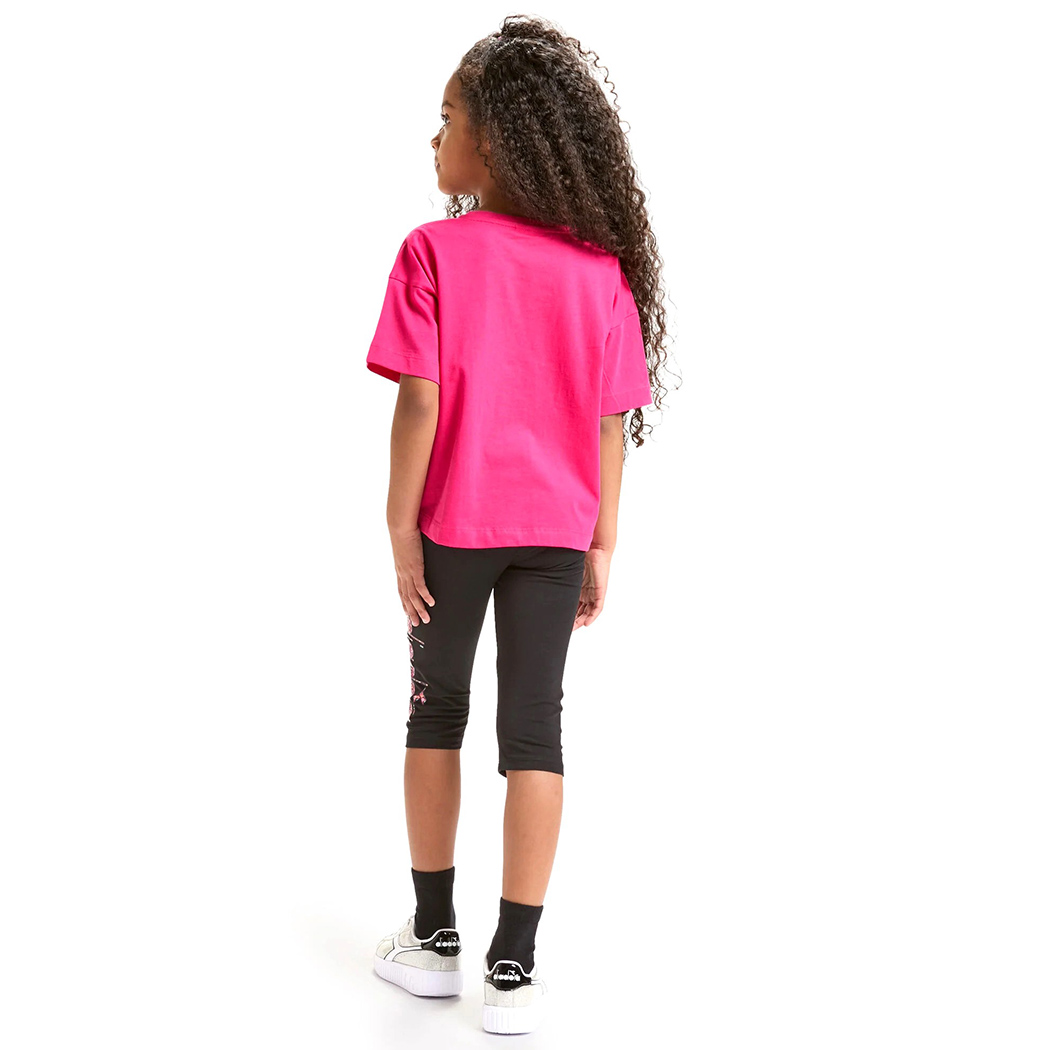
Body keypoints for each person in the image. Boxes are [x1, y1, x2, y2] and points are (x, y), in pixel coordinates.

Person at [368, 15, 673, 1035]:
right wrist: (603, 542)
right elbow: (609, 424)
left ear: (492, 142)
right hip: (554, 537)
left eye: (446, 117)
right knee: (536, 732)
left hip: (453, 529)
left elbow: (419, 400)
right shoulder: (600, 272)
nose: (434, 137)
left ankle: (433, 940)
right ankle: (514, 964)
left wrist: (400, 527)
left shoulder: (433, 252)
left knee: (435, 714)